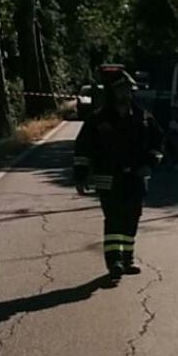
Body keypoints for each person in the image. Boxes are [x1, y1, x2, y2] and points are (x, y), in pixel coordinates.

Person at [73, 71, 164, 283]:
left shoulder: (143, 117)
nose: (125, 94)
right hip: (108, 177)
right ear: (113, 93)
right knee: (114, 219)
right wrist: (81, 176)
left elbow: (158, 143)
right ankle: (114, 262)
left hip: (136, 177)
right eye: (121, 90)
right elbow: (83, 148)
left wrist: (150, 164)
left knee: (132, 219)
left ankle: (127, 258)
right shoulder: (98, 119)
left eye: (128, 90)